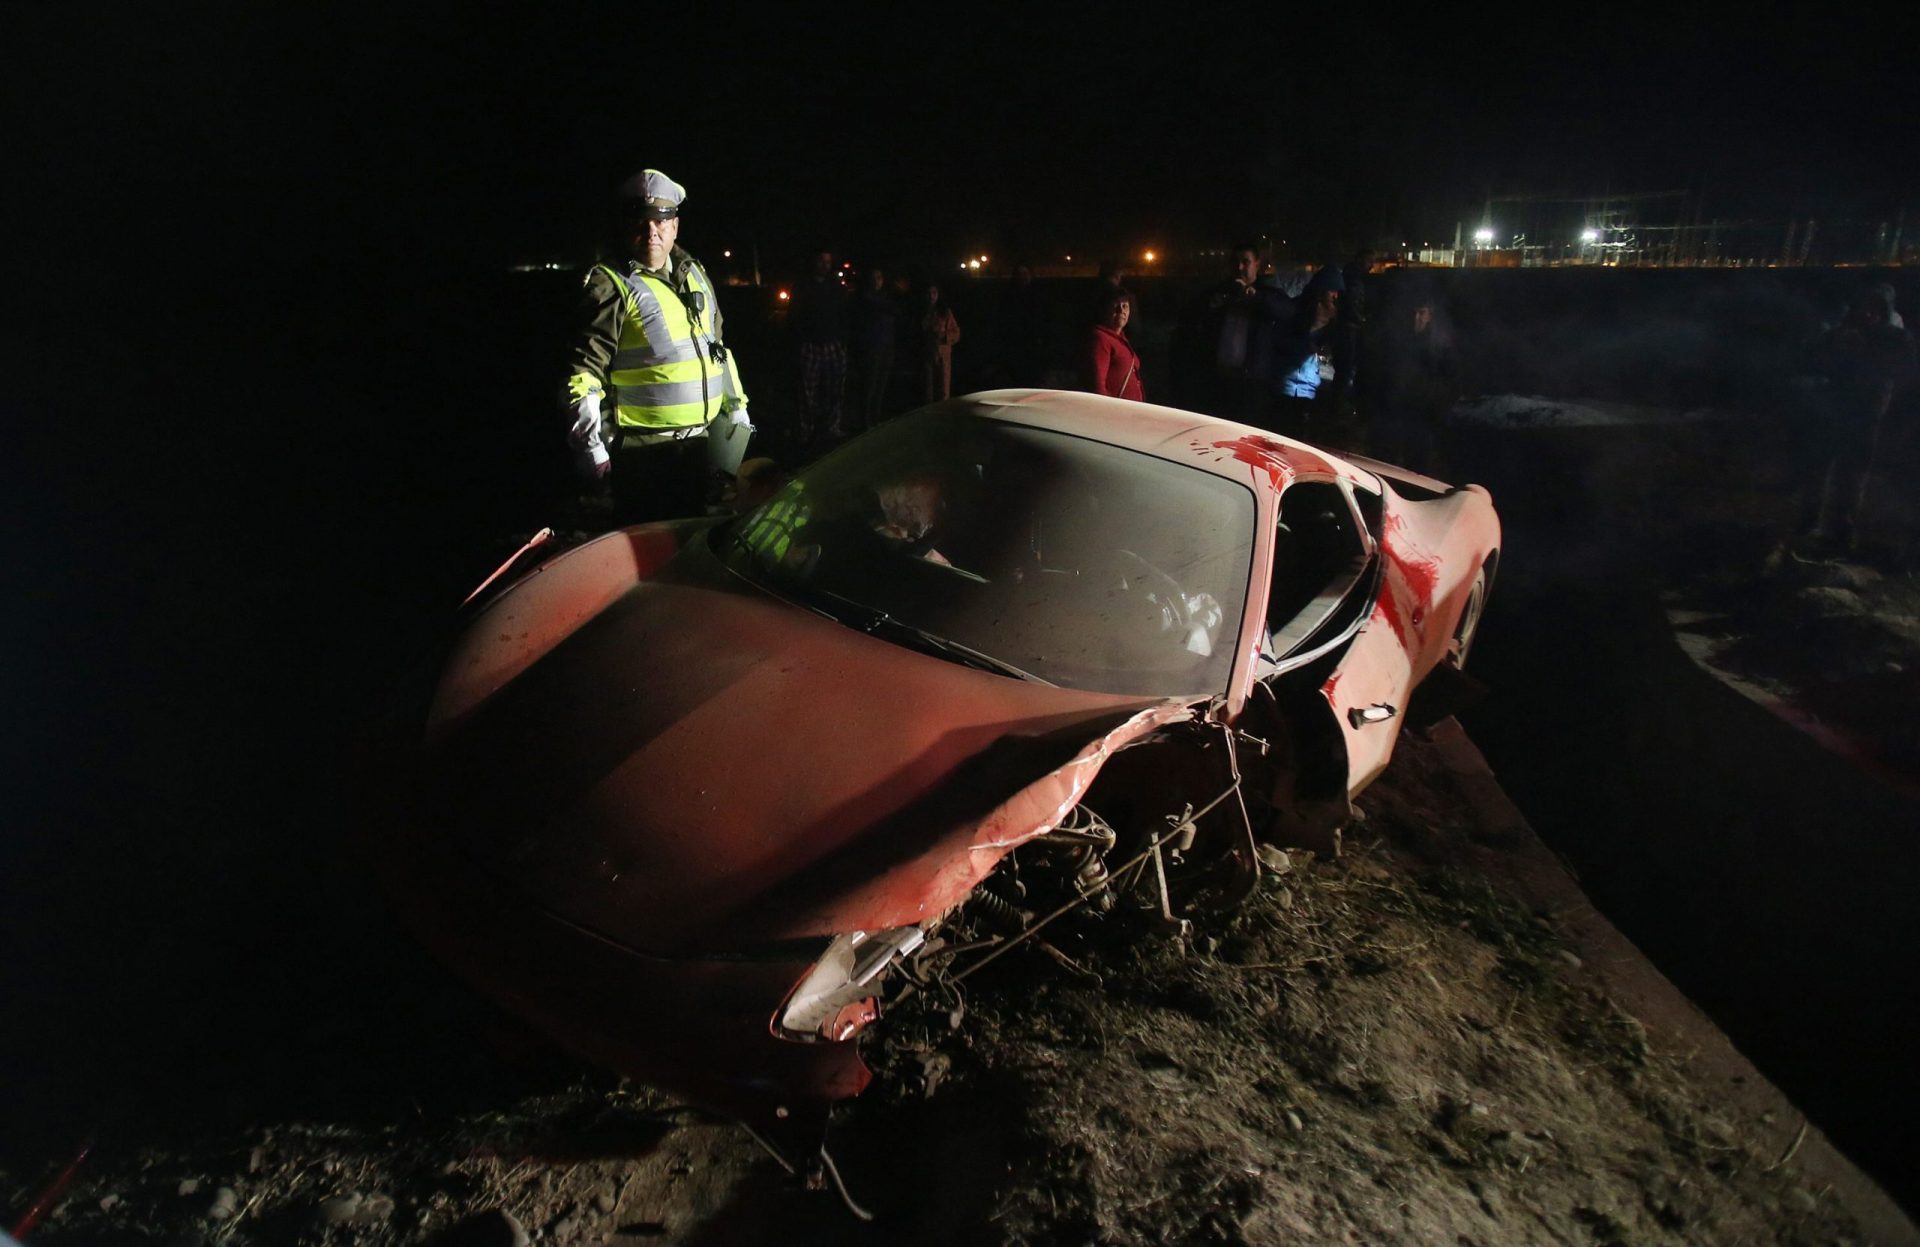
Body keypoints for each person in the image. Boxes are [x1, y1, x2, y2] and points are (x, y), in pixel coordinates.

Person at [562, 169, 750, 524]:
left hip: (697, 447)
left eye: (661, 221)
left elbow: (718, 347)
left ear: (675, 226)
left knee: (690, 543)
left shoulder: (694, 272)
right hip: (642, 456)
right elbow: (583, 373)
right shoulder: (611, 283)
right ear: (625, 225)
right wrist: (591, 448)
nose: (652, 231)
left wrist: (736, 409)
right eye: (640, 221)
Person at [1798, 284, 1917, 552]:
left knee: (1851, 475)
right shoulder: (1841, 333)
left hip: (1867, 416)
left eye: (1875, 309)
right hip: (1831, 410)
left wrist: (1866, 353)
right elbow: (1813, 360)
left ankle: (1841, 532)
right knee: (1818, 470)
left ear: (1884, 312)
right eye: (1864, 308)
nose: (1868, 314)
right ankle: (1808, 524)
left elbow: (1903, 370)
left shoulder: (1894, 338)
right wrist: (1837, 347)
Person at [1270, 264, 1345, 440]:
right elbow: (1279, 341)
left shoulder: (1331, 317)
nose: (1335, 296)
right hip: (1285, 385)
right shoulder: (1295, 309)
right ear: (1321, 290)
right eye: (1332, 291)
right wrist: (1306, 344)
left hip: (1308, 387)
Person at [790, 249, 850, 445]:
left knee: (835, 388)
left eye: (828, 262)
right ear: (815, 262)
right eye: (822, 261)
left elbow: (843, 313)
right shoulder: (803, 286)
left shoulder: (835, 286)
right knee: (807, 392)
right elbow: (795, 315)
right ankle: (806, 430)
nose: (825, 265)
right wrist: (801, 341)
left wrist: (842, 340)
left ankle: (832, 427)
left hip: (833, 344)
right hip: (811, 345)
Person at [850, 266, 898, 430]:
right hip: (871, 348)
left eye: (879, 277)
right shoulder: (864, 299)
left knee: (880, 387)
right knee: (869, 386)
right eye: (873, 277)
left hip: (886, 347)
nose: (876, 281)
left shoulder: (886, 298)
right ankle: (865, 422)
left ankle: (875, 419)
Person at [1087, 287, 1145, 400]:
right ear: (1104, 309)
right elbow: (1097, 383)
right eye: (1116, 305)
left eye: (1125, 306)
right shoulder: (1101, 339)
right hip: (1116, 412)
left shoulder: (1122, 340)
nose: (1121, 310)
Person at [920, 284, 962, 403]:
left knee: (943, 390)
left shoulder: (945, 312)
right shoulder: (921, 312)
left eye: (934, 293)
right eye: (928, 293)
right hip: (927, 354)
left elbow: (956, 332)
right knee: (928, 391)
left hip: (943, 354)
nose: (931, 296)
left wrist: (944, 336)